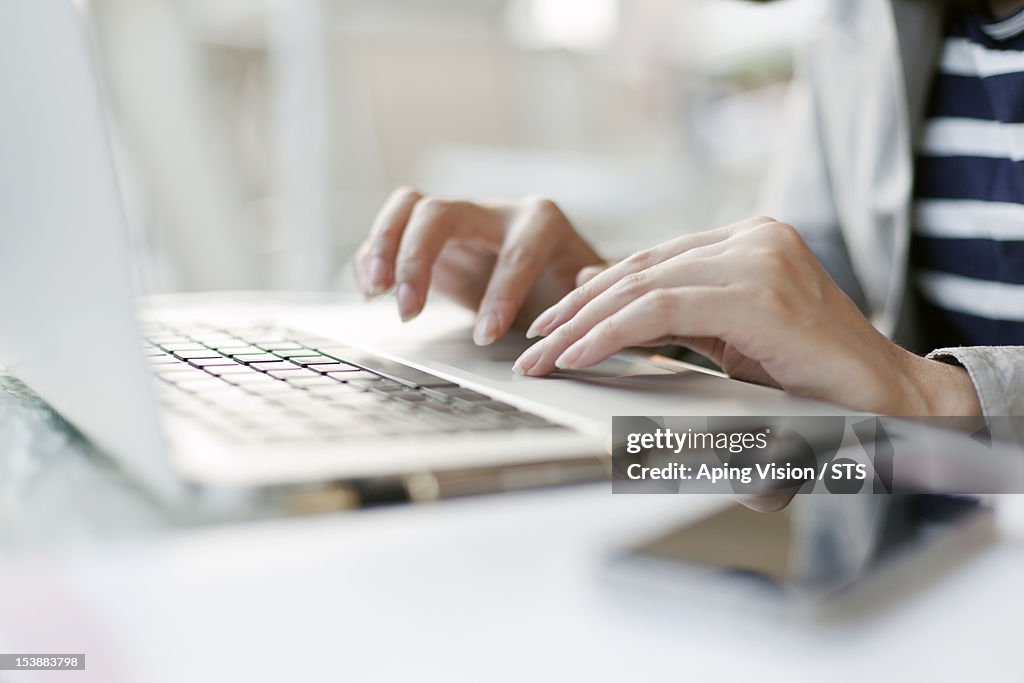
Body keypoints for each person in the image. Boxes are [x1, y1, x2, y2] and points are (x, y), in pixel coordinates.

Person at [353, 0, 1024, 438]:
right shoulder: (860, 27)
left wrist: (938, 397)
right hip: (928, 534)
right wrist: (599, 303)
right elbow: (820, 313)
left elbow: (890, 382)